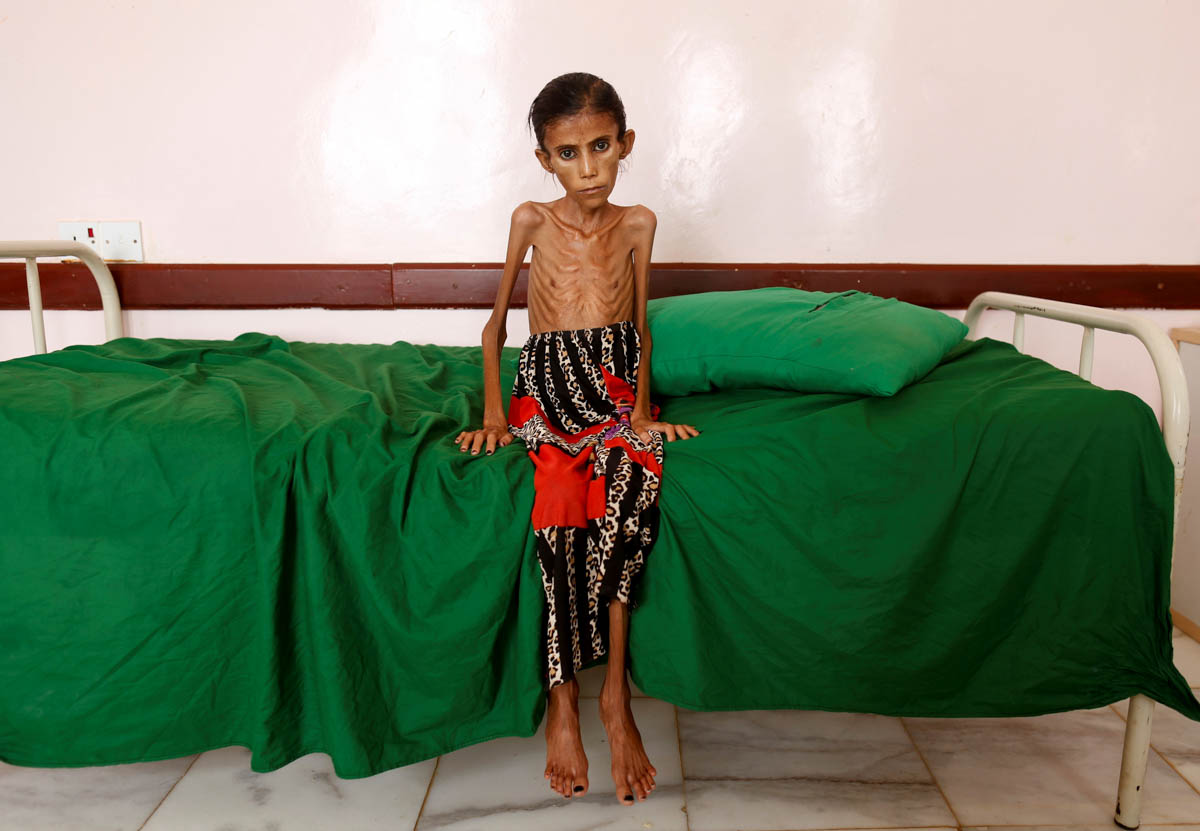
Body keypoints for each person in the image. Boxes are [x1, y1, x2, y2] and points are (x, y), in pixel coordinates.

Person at [453, 71, 699, 806]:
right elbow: (497, 324)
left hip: (616, 390)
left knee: (628, 496)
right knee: (557, 500)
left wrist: (645, 413)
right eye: (568, 154)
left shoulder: (639, 223)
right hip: (548, 388)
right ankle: (563, 697)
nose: (588, 168)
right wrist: (497, 416)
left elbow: (643, 325)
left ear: (626, 143)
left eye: (601, 147)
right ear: (544, 160)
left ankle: (614, 700)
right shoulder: (531, 218)